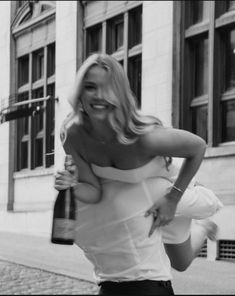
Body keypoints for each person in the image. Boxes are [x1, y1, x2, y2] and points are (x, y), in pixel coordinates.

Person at [55, 53, 223, 295]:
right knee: (180, 263)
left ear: (120, 93)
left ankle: (204, 225)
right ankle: (202, 227)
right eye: (91, 87)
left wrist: (173, 200)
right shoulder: (74, 135)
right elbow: (93, 190)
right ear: (80, 91)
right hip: (135, 196)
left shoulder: (143, 138)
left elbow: (197, 147)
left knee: (180, 260)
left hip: (170, 187)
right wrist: (72, 185)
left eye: (108, 88)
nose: (99, 96)